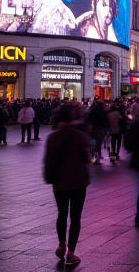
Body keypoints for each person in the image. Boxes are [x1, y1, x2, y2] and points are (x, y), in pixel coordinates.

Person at [43, 106, 90, 268]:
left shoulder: (52, 138)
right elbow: (87, 159)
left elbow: (48, 161)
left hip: (59, 182)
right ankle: (71, 252)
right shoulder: (80, 137)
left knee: (61, 213)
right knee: (75, 217)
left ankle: (61, 244)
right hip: (78, 181)